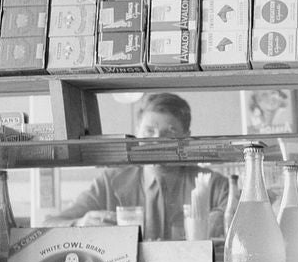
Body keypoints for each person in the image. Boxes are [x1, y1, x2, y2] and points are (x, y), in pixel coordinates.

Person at [47, 92, 230, 240]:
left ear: (187, 137)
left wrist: (222, 220)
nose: (157, 140)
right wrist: (80, 223)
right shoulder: (109, 183)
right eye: (149, 131)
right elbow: (49, 224)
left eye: (169, 132)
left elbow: (245, 222)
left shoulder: (213, 185)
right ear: (137, 133)